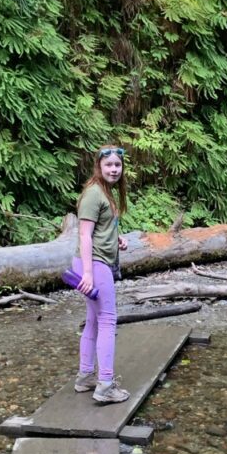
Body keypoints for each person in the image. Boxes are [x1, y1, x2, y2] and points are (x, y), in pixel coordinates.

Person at [72, 145, 130, 403]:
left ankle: (85, 377)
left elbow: (100, 229)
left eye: (117, 165)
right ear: (99, 167)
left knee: (94, 321)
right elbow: (84, 234)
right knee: (108, 321)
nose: (114, 169)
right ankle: (105, 385)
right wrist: (87, 273)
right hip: (93, 265)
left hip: (95, 263)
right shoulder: (93, 194)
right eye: (109, 165)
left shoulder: (106, 193)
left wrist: (117, 238)